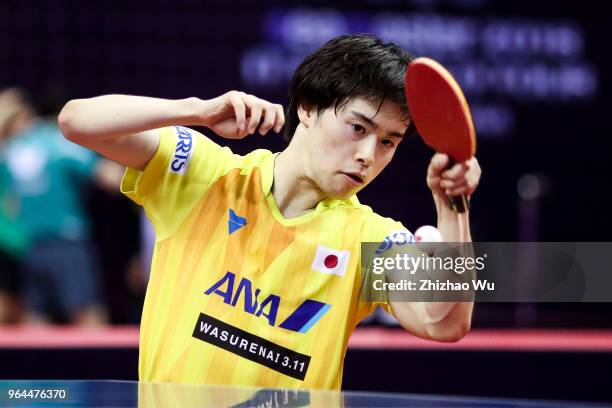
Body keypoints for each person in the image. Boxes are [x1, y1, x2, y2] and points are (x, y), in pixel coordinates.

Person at [59, 34, 481, 388]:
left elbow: (442, 322)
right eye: (358, 128)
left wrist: (453, 209)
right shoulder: (207, 176)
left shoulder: (370, 238)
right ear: (308, 108)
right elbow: (76, 120)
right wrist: (197, 111)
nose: (368, 155)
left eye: (388, 142)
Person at [0, 87, 121, 326]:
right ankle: (102, 364)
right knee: (82, 315)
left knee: (39, 319)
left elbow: (10, 205)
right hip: (59, 245)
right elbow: (109, 176)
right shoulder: (51, 142)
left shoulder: (17, 150)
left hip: (41, 246)